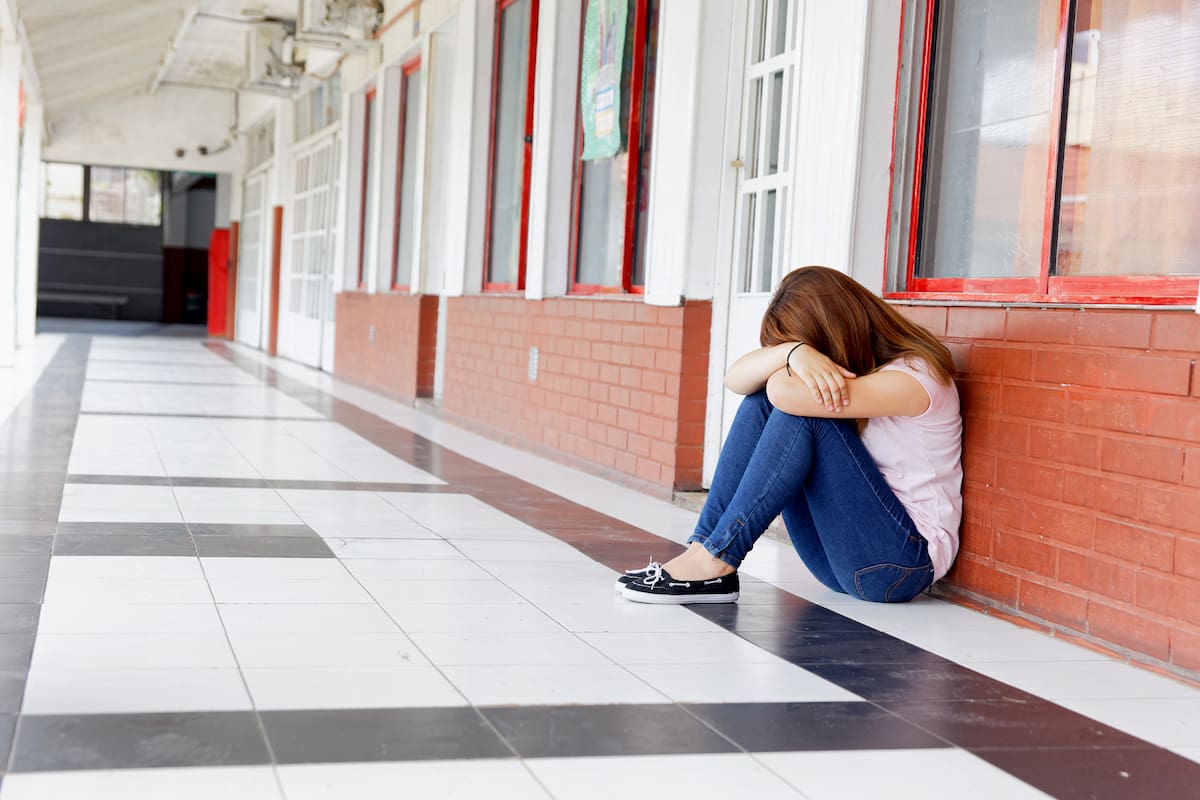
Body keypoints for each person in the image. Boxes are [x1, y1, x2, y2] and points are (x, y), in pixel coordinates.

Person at [619, 266, 962, 604]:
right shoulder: (859, 375)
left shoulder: (916, 377)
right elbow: (736, 380)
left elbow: (783, 394)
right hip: (839, 561)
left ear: (832, 337)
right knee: (759, 400)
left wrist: (788, 362)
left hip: (900, 565)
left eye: (809, 349)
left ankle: (718, 559)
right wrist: (791, 353)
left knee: (803, 416)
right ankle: (704, 550)